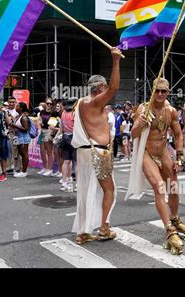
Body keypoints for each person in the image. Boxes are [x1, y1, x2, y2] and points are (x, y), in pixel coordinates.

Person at [126, 78, 185, 255]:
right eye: (157, 90)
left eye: (164, 91)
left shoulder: (171, 111)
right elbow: (133, 134)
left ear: (168, 92)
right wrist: (140, 122)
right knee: (159, 188)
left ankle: (175, 219)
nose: (160, 94)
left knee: (174, 187)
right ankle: (169, 230)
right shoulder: (143, 108)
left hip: (163, 152)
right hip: (146, 153)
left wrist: (179, 158)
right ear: (152, 91)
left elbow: (178, 135)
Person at [71, 46, 122, 245]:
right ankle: (103, 228)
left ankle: (83, 231)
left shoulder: (82, 103)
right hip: (97, 153)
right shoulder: (93, 103)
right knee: (109, 190)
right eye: (104, 88)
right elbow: (114, 88)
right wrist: (116, 61)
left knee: (88, 191)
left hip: (87, 152)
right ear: (100, 89)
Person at [38, 99, 59, 176]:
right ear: (45, 104)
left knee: (49, 151)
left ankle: (50, 169)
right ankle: (45, 167)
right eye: (48, 103)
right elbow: (39, 119)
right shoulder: (42, 111)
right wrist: (40, 122)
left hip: (49, 131)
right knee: (42, 151)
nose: (49, 105)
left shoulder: (54, 113)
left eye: (51, 104)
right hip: (42, 131)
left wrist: (50, 130)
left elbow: (52, 125)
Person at [60, 98, 77, 192]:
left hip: (65, 137)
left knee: (66, 161)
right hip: (74, 138)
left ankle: (64, 183)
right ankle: (77, 184)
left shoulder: (63, 113)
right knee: (76, 162)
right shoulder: (74, 114)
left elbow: (61, 128)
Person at [10, 102, 31, 178]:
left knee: (24, 154)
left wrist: (15, 126)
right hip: (18, 137)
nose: (16, 107)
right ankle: (23, 170)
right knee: (22, 154)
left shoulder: (24, 117)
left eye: (17, 106)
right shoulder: (18, 116)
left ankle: (24, 171)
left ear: (21, 108)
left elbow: (26, 129)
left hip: (23, 137)